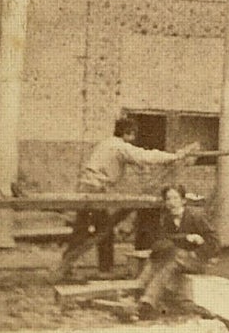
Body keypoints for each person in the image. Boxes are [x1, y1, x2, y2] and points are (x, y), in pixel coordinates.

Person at [56, 116, 189, 281]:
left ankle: (72, 267)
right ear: (128, 133)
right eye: (133, 135)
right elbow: (144, 156)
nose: (133, 140)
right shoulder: (119, 147)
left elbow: (133, 161)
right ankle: (88, 269)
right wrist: (174, 157)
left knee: (87, 230)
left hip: (88, 188)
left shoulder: (106, 143)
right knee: (102, 229)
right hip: (94, 191)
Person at [133, 185, 219, 320]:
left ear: (183, 201)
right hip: (177, 259)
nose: (171, 202)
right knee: (159, 257)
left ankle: (147, 300)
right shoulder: (166, 219)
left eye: (175, 198)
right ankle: (139, 291)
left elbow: (215, 242)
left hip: (197, 260)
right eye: (168, 199)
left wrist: (198, 252)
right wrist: (185, 237)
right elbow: (161, 240)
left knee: (173, 258)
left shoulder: (196, 216)